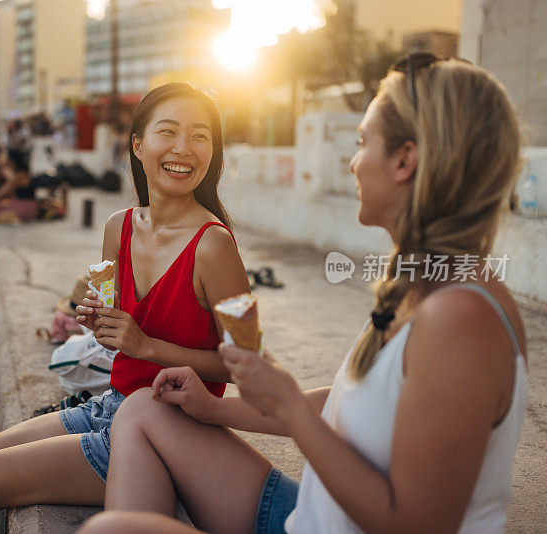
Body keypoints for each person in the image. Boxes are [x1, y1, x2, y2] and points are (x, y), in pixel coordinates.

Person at [78, 56, 529, 534]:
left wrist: (287, 403)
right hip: (309, 510)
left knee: (109, 527)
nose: (352, 163)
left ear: (404, 161)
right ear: (138, 146)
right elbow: (356, 400)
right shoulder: (424, 286)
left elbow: (418, 523)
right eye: (167, 132)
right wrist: (214, 409)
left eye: (361, 143)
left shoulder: (459, 318)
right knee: (144, 410)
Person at [0, 82, 251, 533]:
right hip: (110, 406)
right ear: (139, 145)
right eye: (169, 132)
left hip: (167, 432)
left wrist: (147, 346)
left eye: (201, 135)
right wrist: (95, 316)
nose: (184, 148)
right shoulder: (117, 227)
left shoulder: (216, 247)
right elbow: (109, 312)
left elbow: (251, 365)